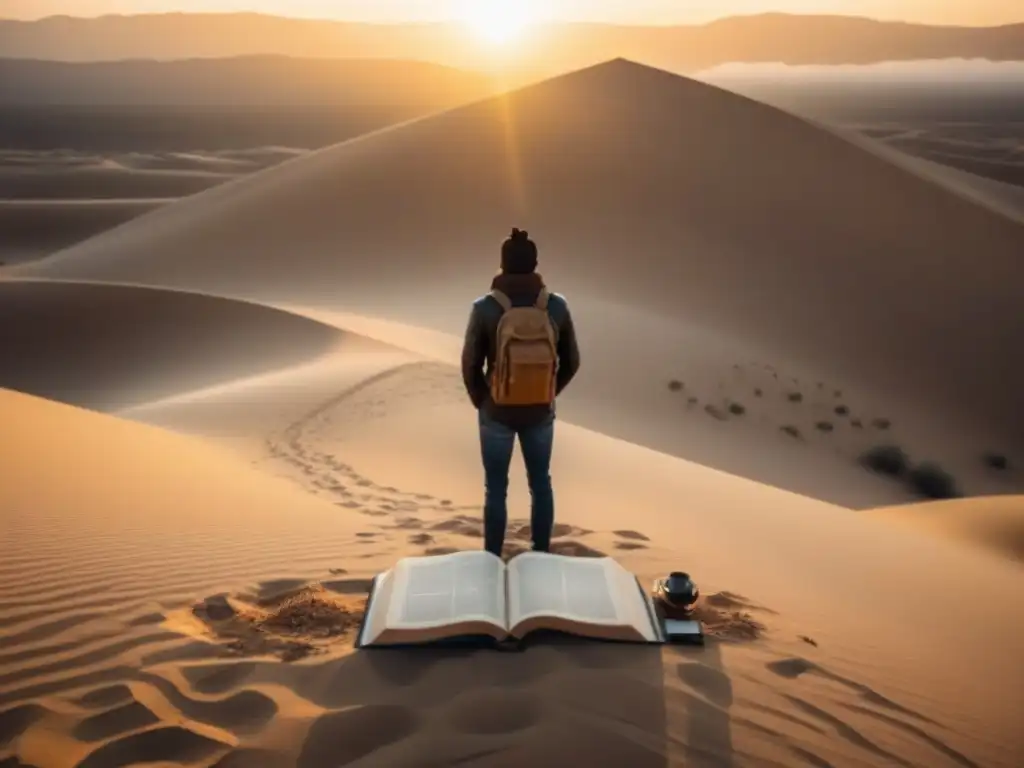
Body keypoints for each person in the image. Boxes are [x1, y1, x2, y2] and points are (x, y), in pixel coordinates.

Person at [461, 228, 580, 558]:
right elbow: (573, 360)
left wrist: (485, 403)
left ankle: (491, 557)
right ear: (535, 264)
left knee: (495, 489)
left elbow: (470, 365)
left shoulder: (485, 308)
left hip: (496, 413)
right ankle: (540, 554)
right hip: (540, 412)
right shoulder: (555, 307)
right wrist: (548, 393)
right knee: (541, 484)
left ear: (501, 265)